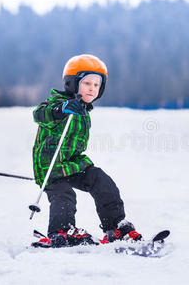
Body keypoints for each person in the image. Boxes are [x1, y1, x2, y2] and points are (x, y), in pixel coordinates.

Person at [32, 54, 142, 247]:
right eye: (87, 83)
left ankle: (115, 226)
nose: (92, 88)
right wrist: (61, 109)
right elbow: (40, 114)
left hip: (73, 162)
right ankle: (61, 231)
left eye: (96, 85)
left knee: (102, 181)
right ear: (71, 84)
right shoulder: (56, 103)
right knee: (64, 195)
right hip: (51, 166)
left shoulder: (84, 109)